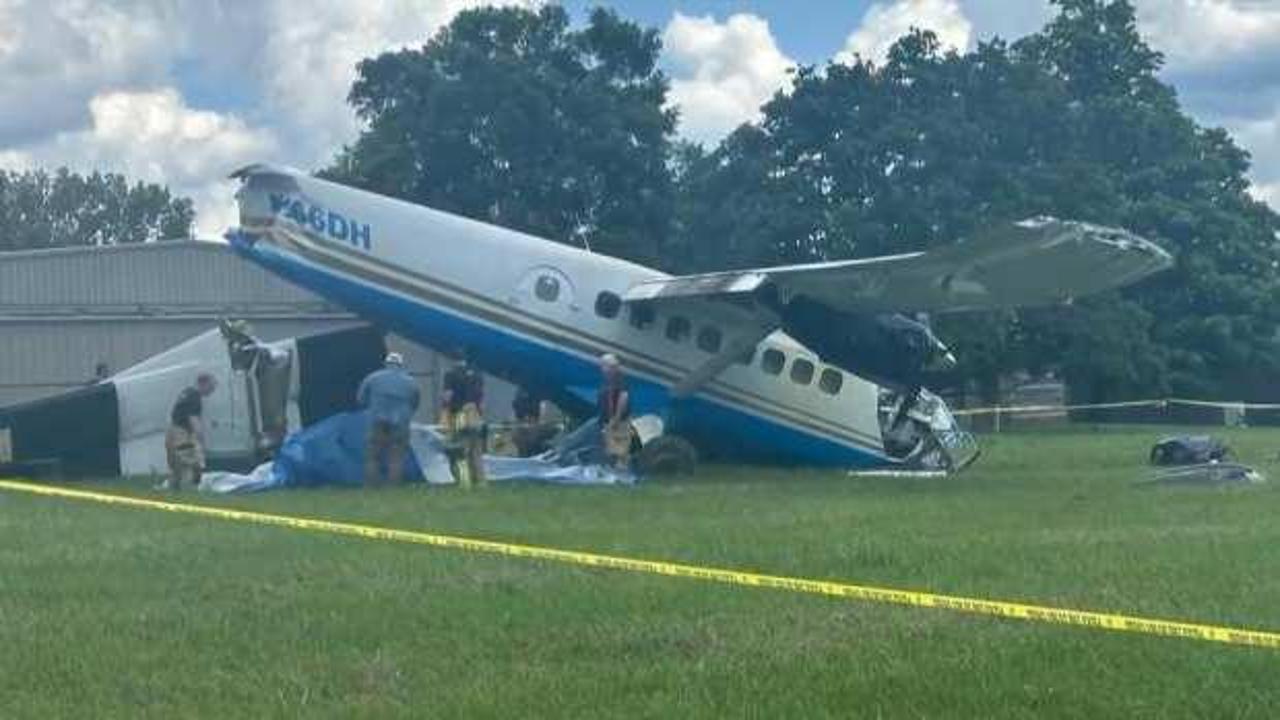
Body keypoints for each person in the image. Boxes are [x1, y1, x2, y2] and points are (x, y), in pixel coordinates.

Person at [357, 352, 421, 487]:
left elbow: (360, 399)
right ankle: (393, 485)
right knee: (396, 454)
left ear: (386, 364)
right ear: (401, 365)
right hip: (400, 422)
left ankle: (371, 484)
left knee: (373, 454)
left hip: (377, 420)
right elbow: (415, 403)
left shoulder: (372, 378)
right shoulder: (410, 381)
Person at [162, 372, 217, 490]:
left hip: (173, 428)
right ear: (204, 384)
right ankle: (189, 487)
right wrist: (201, 439)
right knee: (189, 460)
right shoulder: (194, 397)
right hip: (182, 432)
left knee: (175, 462)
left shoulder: (186, 392)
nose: (212, 390)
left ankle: (174, 486)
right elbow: (193, 420)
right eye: (211, 387)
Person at [440, 352, 486, 488]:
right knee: (476, 450)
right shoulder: (478, 374)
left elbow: (448, 396)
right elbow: (482, 398)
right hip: (475, 415)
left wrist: (444, 410)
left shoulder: (451, 374)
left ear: (452, 360)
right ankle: (481, 482)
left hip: (459, 415)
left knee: (460, 450)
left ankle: (465, 483)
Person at [598, 353, 632, 469]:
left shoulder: (619, 379)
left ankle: (622, 472)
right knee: (611, 448)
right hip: (609, 420)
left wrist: (616, 418)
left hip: (618, 420)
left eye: (605, 365)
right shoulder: (608, 380)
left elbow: (623, 397)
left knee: (620, 450)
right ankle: (614, 470)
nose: (602, 368)